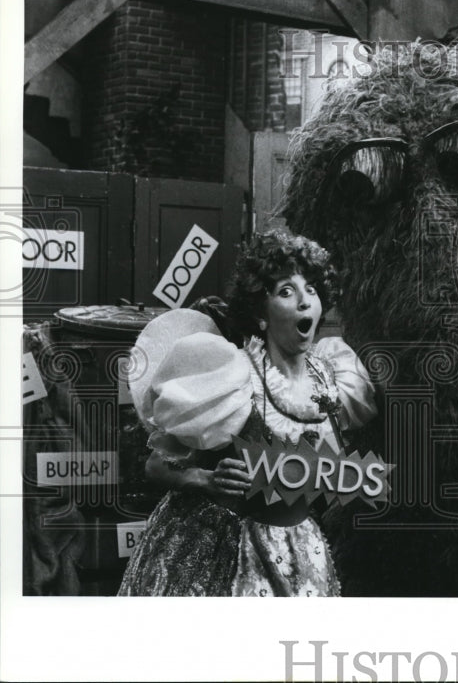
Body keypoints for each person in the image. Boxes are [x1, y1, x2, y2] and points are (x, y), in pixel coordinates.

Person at [119, 230, 377, 596]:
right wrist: (200, 478)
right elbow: (154, 466)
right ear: (260, 313)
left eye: (312, 290)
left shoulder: (332, 376)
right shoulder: (229, 374)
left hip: (300, 552)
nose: (305, 302)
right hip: (218, 548)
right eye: (286, 291)